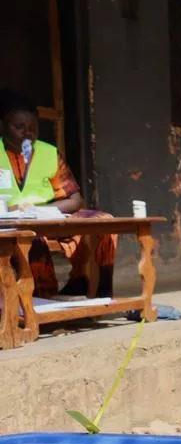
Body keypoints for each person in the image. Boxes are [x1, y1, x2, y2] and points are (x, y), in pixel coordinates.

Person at [0, 91, 117, 298]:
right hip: (10, 224)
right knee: (32, 239)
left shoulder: (48, 152)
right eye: (19, 127)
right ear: (2, 126)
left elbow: (75, 199)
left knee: (104, 222)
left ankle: (95, 288)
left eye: (33, 128)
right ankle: (40, 299)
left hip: (47, 216)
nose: (28, 134)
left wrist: (41, 211)